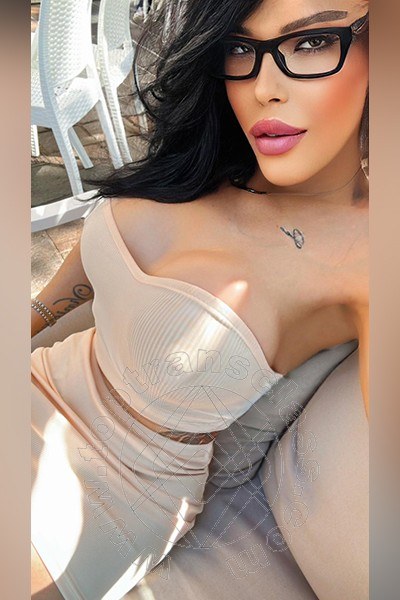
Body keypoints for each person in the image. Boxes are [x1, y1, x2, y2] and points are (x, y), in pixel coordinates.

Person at [31, 0, 369, 597]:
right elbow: (73, 280)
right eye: (240, 48)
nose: (263, 88)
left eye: (312, 42)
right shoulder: (206, 159)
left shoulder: (369, 259)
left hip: (100, 497)